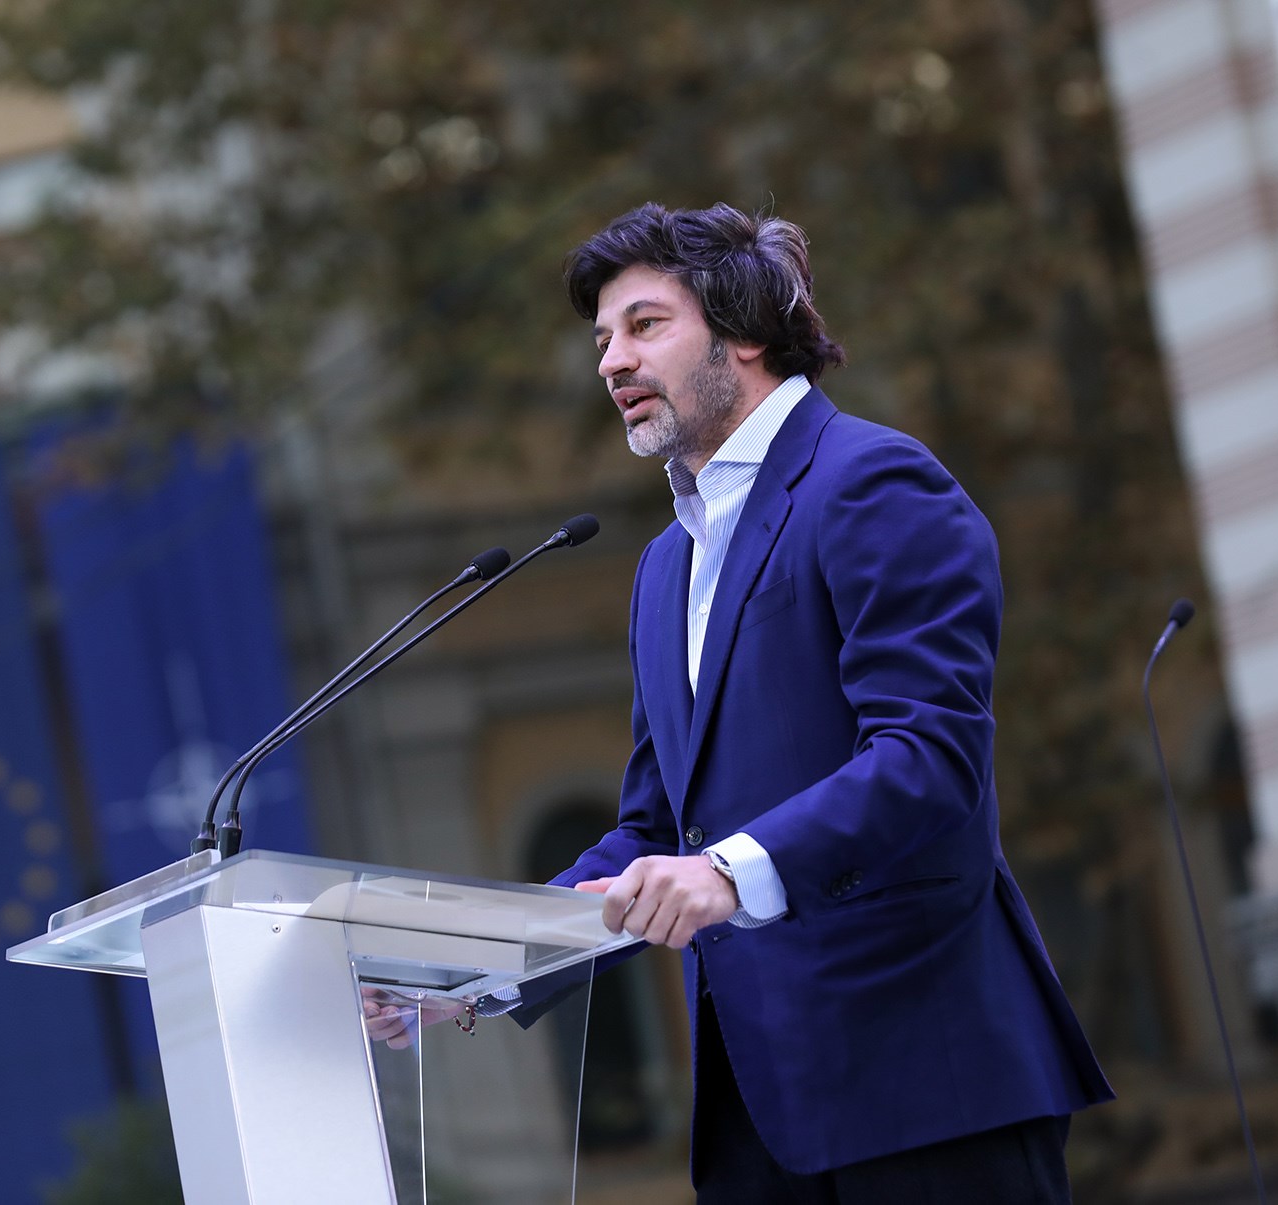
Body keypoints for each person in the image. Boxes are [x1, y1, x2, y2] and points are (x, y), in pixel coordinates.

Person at [372, 202, 1112, 1202]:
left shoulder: (872, 481)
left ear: (746, 331)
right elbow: (653, 831)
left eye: (644, 324)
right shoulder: (663, 567)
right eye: (601, 340)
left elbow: (929, 757)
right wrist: (472, 969)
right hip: (759, 1127)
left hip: (926, 1091)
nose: (611, 361)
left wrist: (726, 872)